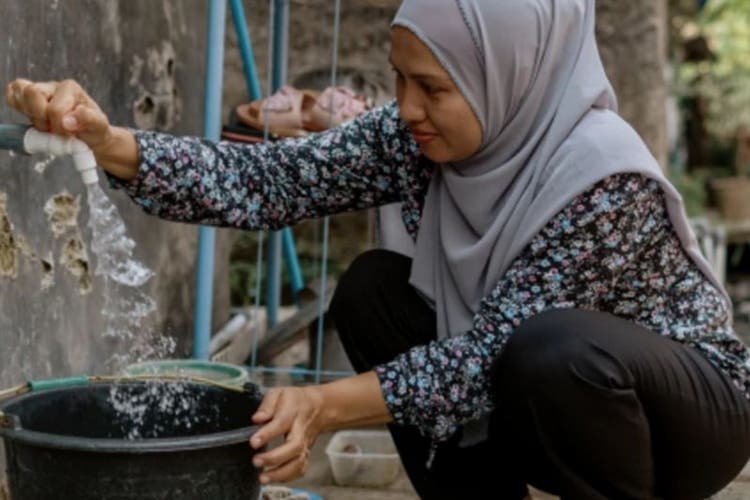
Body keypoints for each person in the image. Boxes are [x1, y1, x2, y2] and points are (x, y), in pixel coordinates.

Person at [6, 1, 750, 498]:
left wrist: (323, 406)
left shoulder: (602, 177)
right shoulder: (416, 136)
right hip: (526, 388)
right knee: (372, 290)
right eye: (399, 78)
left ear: (515, 78)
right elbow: (268, 180)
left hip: (678, 421)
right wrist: (109, 143)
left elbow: (484, 361)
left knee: (550, 348)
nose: (408, 107)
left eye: (433, 85)